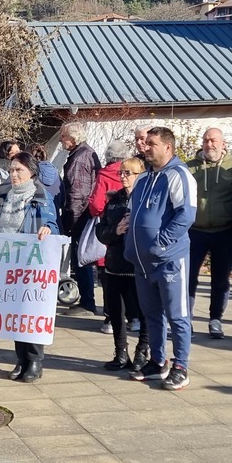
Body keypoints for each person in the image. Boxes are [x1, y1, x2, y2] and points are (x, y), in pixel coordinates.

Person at [0, 152, 57, 383]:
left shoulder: (40, 197)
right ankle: (21, 358)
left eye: (20, 171)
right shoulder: (5, 195)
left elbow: (53, 225)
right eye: (13, 170)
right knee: (16, 313)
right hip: (10, 264)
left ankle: (35, 360)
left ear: (31, 173)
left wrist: (47, 230)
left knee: (31, 311)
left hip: (32, 265)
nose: (14, 175)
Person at [124, 127, 197, 390]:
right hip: (142, 262)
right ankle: (157, 361)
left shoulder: (178, 176)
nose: (145, 148)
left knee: (177, 315)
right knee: (151, 314)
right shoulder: (143, 180)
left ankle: (181, 366)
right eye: (145, 143)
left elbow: (186, 216)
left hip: (169, 260)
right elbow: (133, 216)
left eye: (152, 144)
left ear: (168, 147)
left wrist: (160, 243)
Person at [185, 128, 232, 339]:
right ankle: (186, 320)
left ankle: (215, 319)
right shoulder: (189, 168)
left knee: (220, 279)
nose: (210, 144)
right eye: (206, 140)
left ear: (223, 143)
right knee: (188, 278)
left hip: (225, 231)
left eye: (214, 140)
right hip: (194, 231)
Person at [95, 157, 150, 372]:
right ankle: (120, 353)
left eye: (129, 173)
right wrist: (115, 231)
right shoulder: (115, 200)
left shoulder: (146, 199)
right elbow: (101, 231)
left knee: (145, 312)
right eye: (122, 173)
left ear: (140, 175)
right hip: (115, 264)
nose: (124, 176)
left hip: (139, 266)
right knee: (116, 313)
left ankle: (142, 352)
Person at [88, 140, 133, 334]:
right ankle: (134, 317)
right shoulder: (136, 175)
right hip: (131, 241)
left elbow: (96, 205)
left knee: (109, 280)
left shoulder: (104, 175)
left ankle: (110, 318)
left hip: (110, 239)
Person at [59, 121, 101, 317]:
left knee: (81, 259)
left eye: (63, 136)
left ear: (73, 138)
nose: (61, 139)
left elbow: (78, 193)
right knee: (81, 259)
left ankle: (87, 303)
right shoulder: (81, 154)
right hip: (83, 215)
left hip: (80, 217)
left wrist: (70, 222)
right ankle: (86, 301)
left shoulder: (80, 158)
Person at [27, 143, 64, 220]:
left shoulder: (30, 175)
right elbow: (63, 201)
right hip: (55, 221)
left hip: (34, 223)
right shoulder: (56, 174)